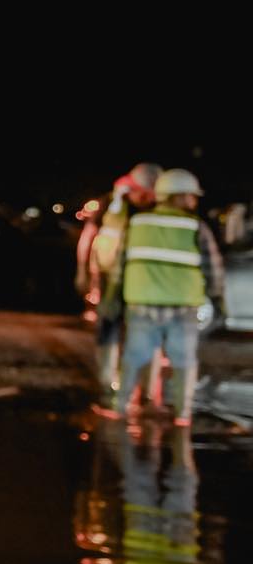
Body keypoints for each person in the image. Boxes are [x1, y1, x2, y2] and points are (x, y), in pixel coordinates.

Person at [104, 168, 224, 424]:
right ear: (178, 196)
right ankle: (182, 414)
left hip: (141, 304)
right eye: (191, 196)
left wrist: (111, 299)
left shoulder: (137, 223)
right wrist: (218, 301)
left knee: (134, 358)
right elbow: (213, 269)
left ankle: (120, 406)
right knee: (183, 362)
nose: (194, 201)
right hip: (182, 307)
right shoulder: (196, 226)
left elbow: (119, 267)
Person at [78, 162, 161, 399]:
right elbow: (89, 236)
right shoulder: (110, 205)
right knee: (108, 325)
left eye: (151, 194)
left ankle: (147, 388)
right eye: (143, 192)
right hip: (109, 279)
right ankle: (107, 380)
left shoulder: (158, 209)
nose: (146, 197)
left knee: (148, 331)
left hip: (144, 280)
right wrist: (82, 272)